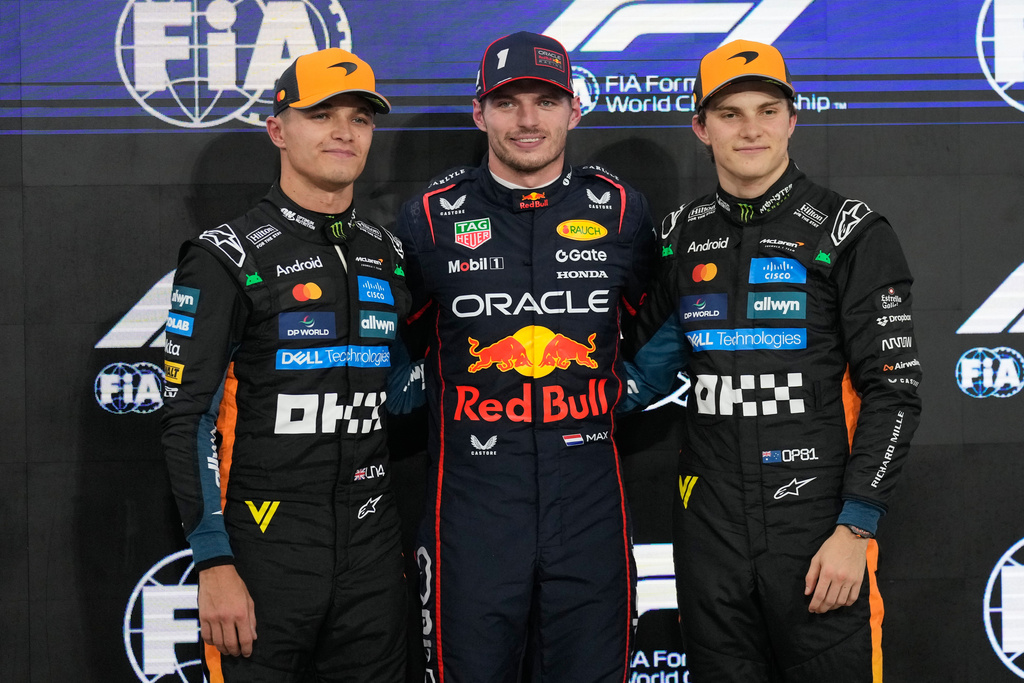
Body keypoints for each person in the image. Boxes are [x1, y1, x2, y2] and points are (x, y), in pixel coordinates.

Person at [623, 39, 922, 681]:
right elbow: (639, 375)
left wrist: (855, 531)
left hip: (817, 529)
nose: (750, 128)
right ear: (700, 127)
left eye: (767, 109)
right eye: (729, 113)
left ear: (793, 118)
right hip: (709, 531)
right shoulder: (679, 236)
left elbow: (894, 393)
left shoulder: (851, 230)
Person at [392, 31, 654, 683]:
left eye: (545, 100)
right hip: (471, 509)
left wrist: (628, 388)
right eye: (508, 102)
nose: (528, 119)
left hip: (588, 502)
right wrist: (426, 392)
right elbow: (394, 349)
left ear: (574, 109)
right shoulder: (428, 218)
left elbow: (657, 324)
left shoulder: (622, 211)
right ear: (479, 112)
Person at [161, 47, 412, 682]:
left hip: (375, 551)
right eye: (321, 114)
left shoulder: (388, 253)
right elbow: (187, 418)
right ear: (277, 128)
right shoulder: (225, 255)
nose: (343, 132)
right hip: (265, 550)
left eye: (360, 118)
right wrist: (215, 563)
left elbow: (402, 389)